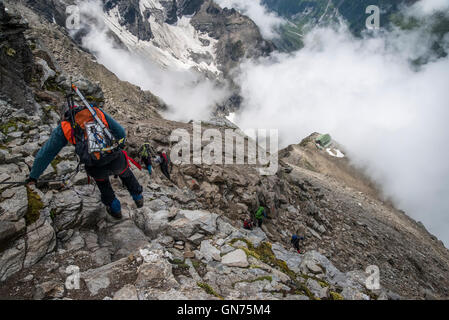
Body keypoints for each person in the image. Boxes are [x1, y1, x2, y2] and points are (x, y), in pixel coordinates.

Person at [27, 100, 143, 220]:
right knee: (126, 174)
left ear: (64, 114)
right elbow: (121, 132)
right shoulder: (95, 112)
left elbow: (46, 153)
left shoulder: (65, 126)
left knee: (103, 185)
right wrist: (118, 146)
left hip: (94, 163)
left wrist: (33, 176)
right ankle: (138, 198)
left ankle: (116, 210)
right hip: (114, 156)